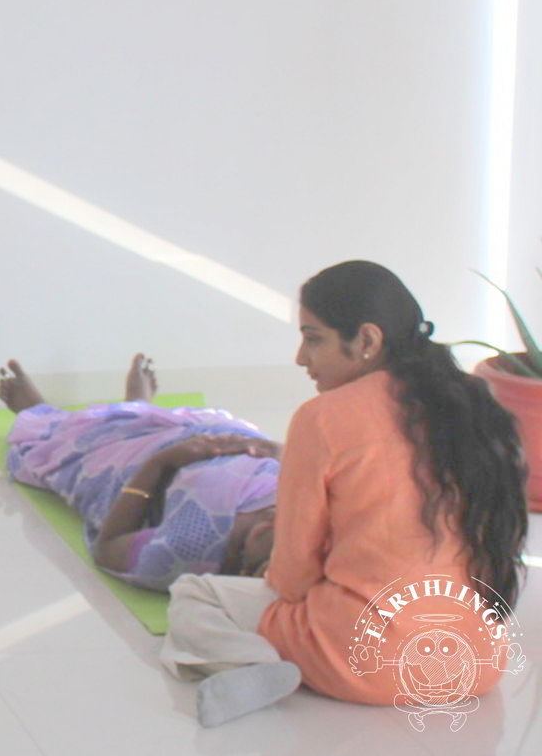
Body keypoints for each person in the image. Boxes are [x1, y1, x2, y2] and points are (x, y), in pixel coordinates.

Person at [160, 260, 529, 727]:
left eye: (314, 339)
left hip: (361, 661)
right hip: (473, 665)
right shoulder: (476, 406)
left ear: (367, 340)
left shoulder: (322, 418)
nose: (301, 357)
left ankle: (253, 665)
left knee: (194, 594)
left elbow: (292, 576)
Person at [0, 354, 281, 590]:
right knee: (211, 424)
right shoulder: (302, 500)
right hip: (220, 435)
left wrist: (160, 463)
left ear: (262, 532)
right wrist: (275, 450)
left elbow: (107, 549)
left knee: (80, 448)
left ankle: (39, 414)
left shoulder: (191, 547)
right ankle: (139, 408)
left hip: (145, 463)